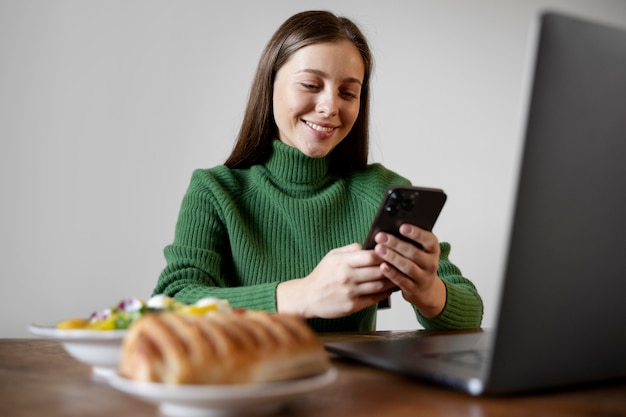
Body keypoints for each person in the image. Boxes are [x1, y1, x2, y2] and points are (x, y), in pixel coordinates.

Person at [153, 10, 483, 332]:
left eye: (348, 92)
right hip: (249, 382)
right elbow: (169, 306)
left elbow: (471, 309)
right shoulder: (215, 190)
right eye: (311, 85)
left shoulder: (383, 191)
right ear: (270, 85)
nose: (330, 107)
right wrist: (302, 295)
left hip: (351, 386)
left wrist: (429, 293)